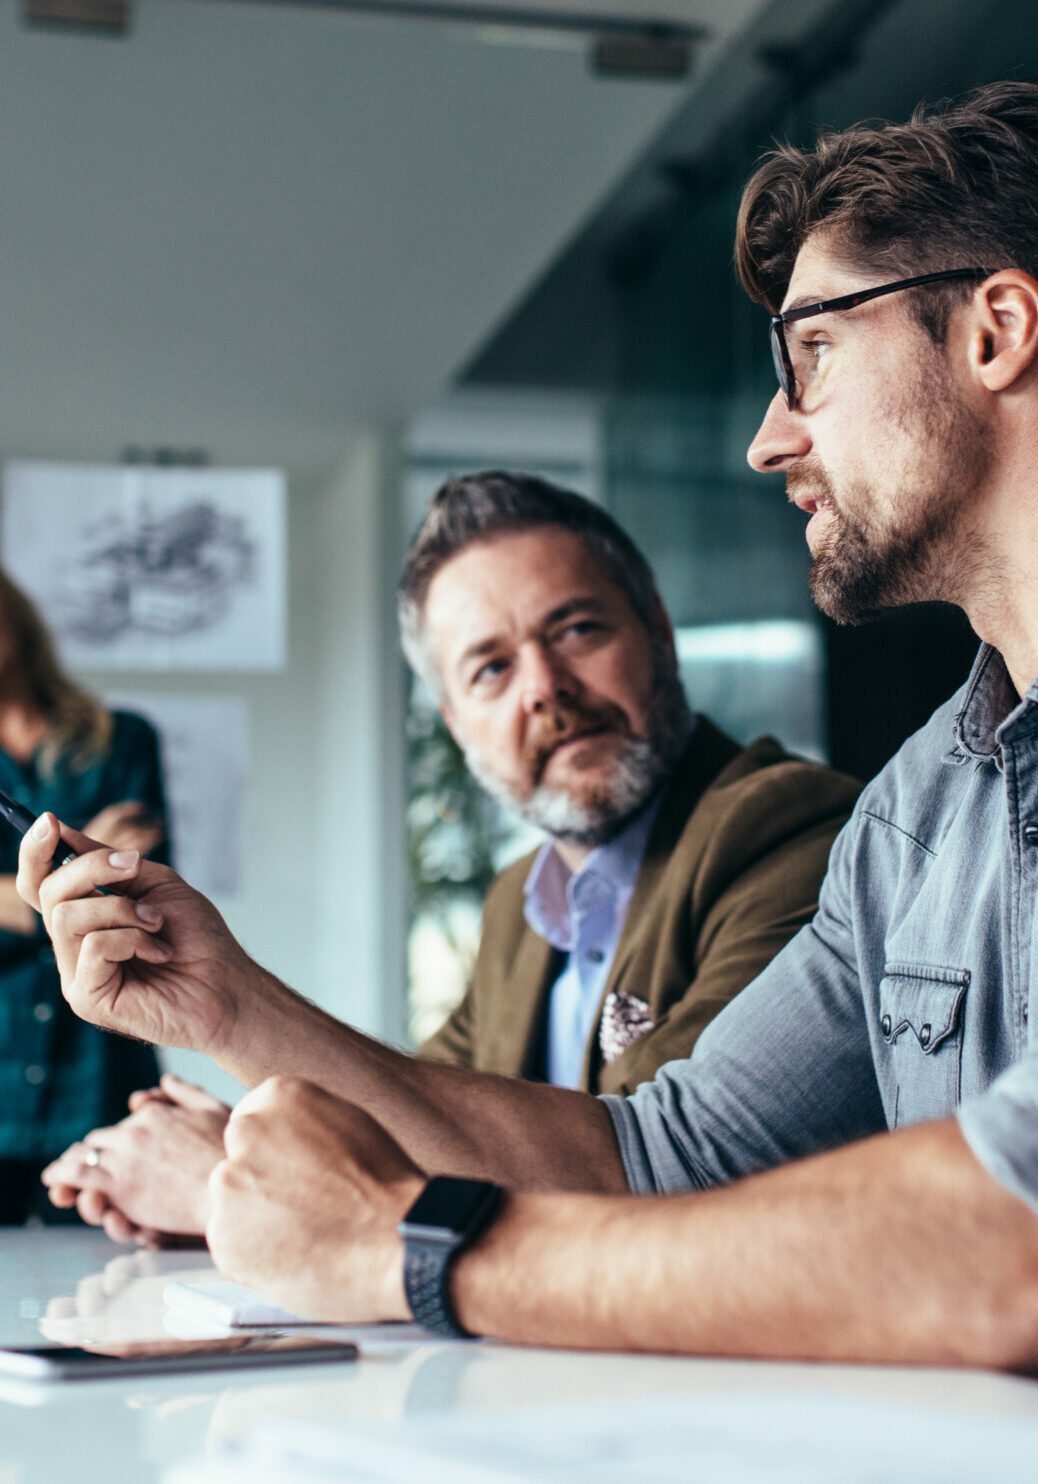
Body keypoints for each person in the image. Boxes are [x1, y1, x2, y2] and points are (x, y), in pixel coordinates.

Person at [18, 79, 1038, 1368]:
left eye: (814, 353)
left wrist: (412, 1243)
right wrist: (226, 1003)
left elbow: (1015, 1236)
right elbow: (660, 1156)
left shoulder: (795, 826)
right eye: (486, 668)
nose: (769, 439)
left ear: (996, 329)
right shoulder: (918, 813)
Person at [40, 473, 858, 1241]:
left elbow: (650, 1176)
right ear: (456, 721)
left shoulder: (789, 830)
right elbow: (419, 1121)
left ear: (658, 631)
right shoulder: (520, 903)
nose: (543, 687)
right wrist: (245, 1127)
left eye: (576, 629)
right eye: (491, 668)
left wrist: (229, 1175)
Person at [0, 570, 169, 1224]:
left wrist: (21, 902)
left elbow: (138, 892)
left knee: (116, 1294)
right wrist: (78, 864)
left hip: (103, 1067)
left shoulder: (123, 740)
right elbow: (100, 876)